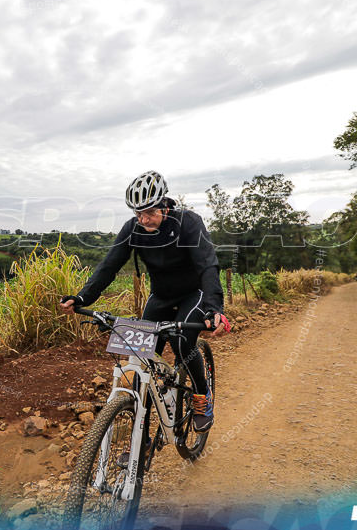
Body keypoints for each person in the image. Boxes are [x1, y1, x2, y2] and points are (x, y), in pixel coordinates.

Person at [59, 170, 229, 432]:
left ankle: (202, 397)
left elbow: (208, 265)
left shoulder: (189, 223)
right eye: (138, 213)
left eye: (149, 212)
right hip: (160, 297)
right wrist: (82, 297)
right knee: (140, 357)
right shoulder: (133, 229)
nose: (143, 219)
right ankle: (142, 440)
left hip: (192, 295)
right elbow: (109, 266)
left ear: (165, 206)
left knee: (183, 345)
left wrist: (214, 308)